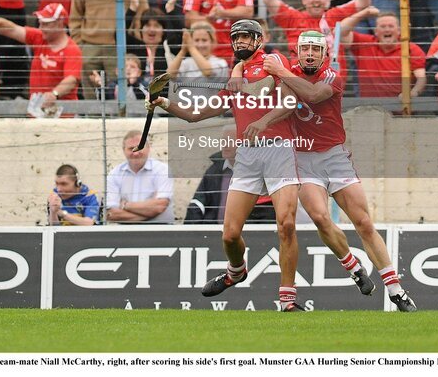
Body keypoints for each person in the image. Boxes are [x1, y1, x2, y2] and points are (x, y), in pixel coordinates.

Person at [252, 31, 418, 310]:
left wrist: (280, 71)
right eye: (304, 49)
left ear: (324, 55)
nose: (309, 54)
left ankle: (396, 289)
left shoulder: (331, 76)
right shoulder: (287, 73)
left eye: (315, 50)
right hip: (302, 157)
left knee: (363, 222)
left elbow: (314, 95)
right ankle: (353, 267)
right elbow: (280, 100)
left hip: (334, 156)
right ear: (297, 51)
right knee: (319, 217)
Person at [145, 19, 303, 310]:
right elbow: (195, 115)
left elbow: (291, 101)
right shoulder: (235, 80)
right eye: (236, 38)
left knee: (287, 224)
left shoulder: (273, 60)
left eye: (246, 37)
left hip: (279, 151)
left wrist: (262, 120)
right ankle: (236, 271)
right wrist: (164, 102)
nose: (240, 42)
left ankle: (288, 298)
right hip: (248, 156)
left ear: (258, 40)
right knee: (230, 234)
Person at [0, 4, 82, 118]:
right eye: (40, 23)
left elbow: (71, 80)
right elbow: (14, 29)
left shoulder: (72, 50)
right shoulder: (40, 38)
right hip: (37, 112)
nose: (41, 28)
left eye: (45, 24)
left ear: (59, 23)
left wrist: (55, 94)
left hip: (62, 116)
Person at [105, 130, 174, 225]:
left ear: (148, 148)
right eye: (131, 148)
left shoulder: (162, 170)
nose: (136, 153)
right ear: (123, 150)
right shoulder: (114, 174)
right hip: (126, 232)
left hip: (159, 229)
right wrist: (149, 214)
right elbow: (111, 214)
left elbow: (159, 206)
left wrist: (124, 205)